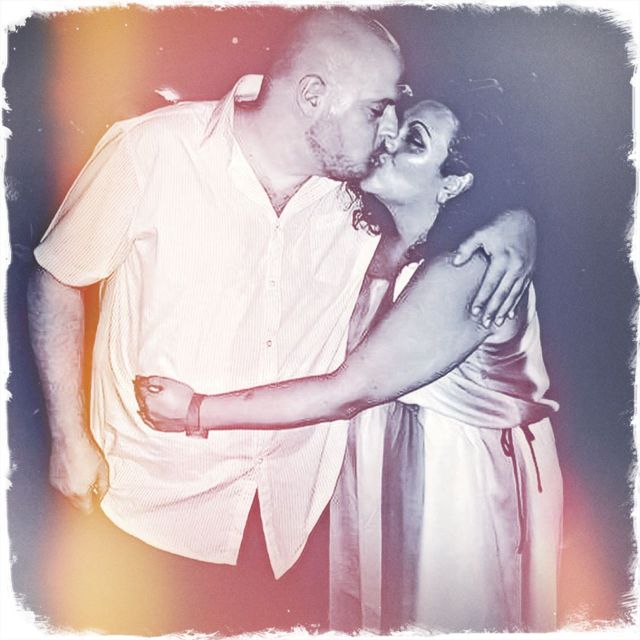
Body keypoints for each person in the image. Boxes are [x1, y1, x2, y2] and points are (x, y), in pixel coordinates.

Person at [28, 9, 537, 635]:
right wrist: (68, 440)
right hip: (156, 504)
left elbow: (442, 219)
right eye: (377, 110)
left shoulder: (353, 194)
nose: (387, 130)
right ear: (313, 96)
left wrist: (517, 222)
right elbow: (57, 276)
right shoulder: (153, 150)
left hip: (293, 515)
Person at [135, 99, 563, 633]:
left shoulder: (472, 264)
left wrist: (197, 411)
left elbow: (348, 390)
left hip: (459, 475)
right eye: (394, 126)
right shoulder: (371, 235)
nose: (388, 140)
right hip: (378, 453)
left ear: (453, 183)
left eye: (415, 141)